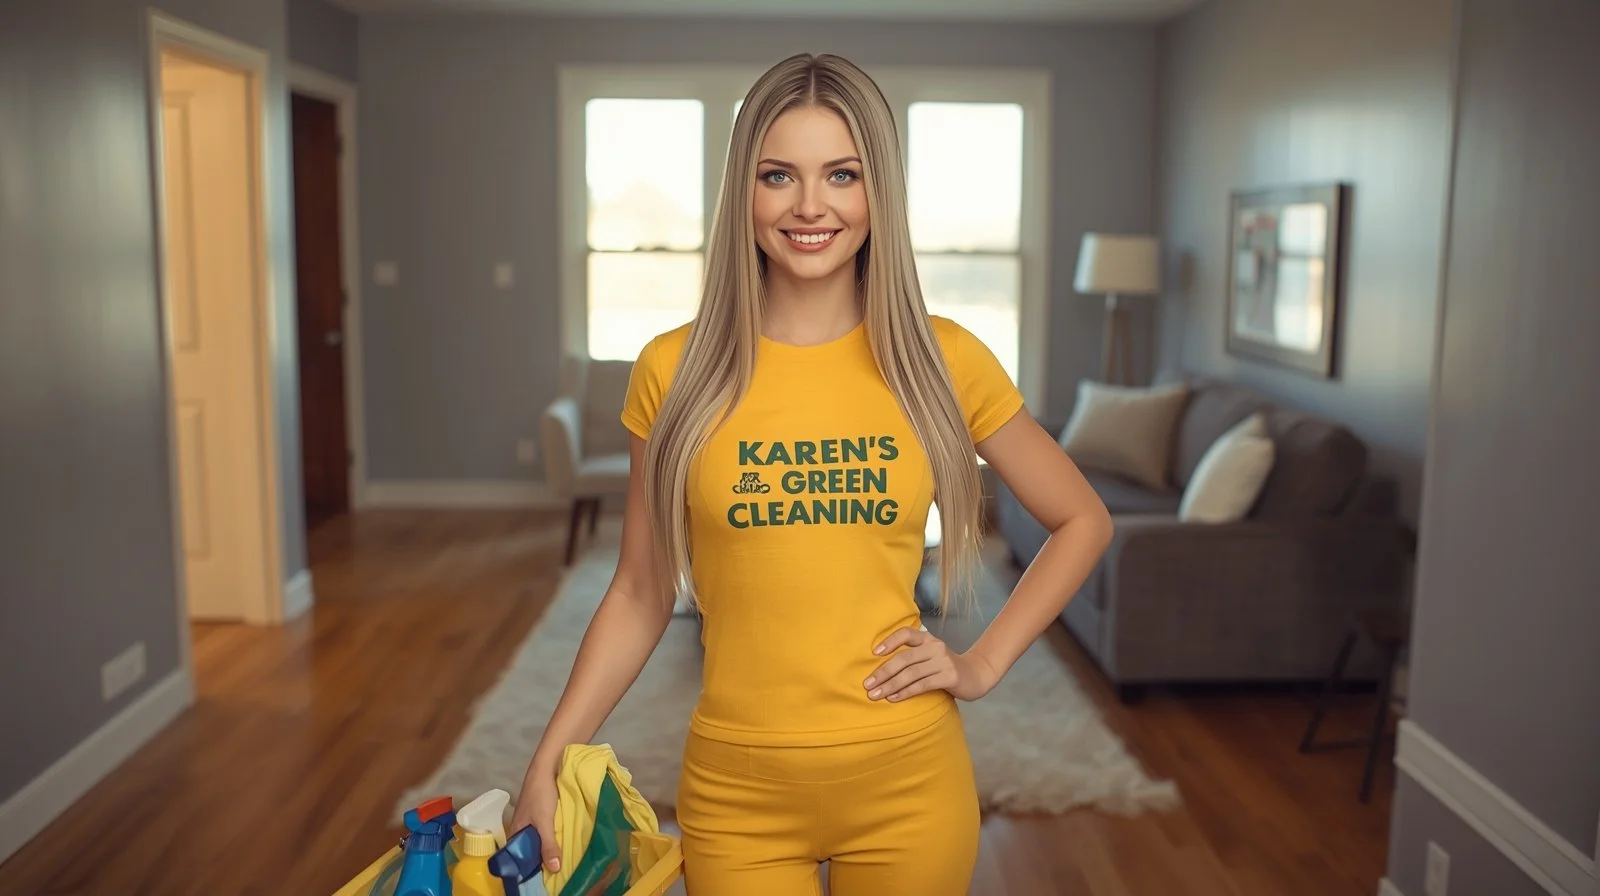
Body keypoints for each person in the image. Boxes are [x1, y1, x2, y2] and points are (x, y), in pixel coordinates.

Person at [510, 52, 1113, 896]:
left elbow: (1082, 520)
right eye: (777, 175)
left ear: (879, 193)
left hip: (909, 781)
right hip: (736, 792)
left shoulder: (945, 360)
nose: (809, 206)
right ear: (743, 192)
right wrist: (549, 759)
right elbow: (642, 592)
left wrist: (979, 665)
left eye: (842, 174)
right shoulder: (672, 370)